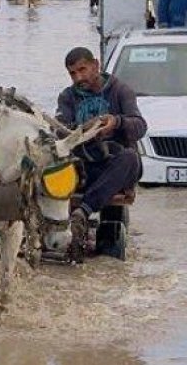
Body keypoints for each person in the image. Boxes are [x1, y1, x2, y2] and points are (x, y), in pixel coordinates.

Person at [56, 47, 147, 254]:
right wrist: (81, 130)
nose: (78, 78)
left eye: (82, 70)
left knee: (130, 157)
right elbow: (58, 131)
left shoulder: (120, 91)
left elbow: (140, 126)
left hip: (115, 166)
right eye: (72, 74)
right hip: (84, 165)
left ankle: (83, 211)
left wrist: (117, 122)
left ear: (96, 65)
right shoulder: (67, 97)